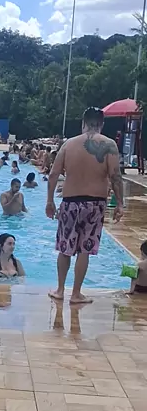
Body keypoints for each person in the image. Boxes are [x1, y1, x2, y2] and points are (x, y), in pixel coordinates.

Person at [46, 106, 124, 305]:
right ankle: (76, 293)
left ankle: (60, 290)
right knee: (84, 250)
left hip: (70, 203)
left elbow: (53, 174)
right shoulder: (109, 145)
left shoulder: (68, 144)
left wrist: (50, 201)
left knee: (65, 248)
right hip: (95, 204)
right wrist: (120, 204)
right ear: (101, 124)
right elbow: (115, 177)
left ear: (83, 123)